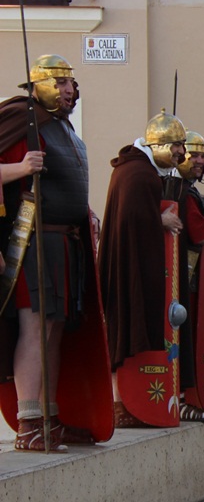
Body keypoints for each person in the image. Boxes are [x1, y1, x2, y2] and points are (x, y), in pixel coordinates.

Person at [0, 54, 106, 451]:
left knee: (55, 330)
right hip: (32, 244)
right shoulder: (19, 120)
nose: (69, 90)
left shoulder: (61, 128)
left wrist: (85, 212)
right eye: (61, 83)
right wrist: (20, 168)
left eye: (71, 84)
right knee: (36, 328)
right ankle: (28, 423)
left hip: (65, 243)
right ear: (39, 85)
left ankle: (50, 417)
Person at [99, 110, 188, 427]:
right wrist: (159, 219)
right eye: (176, 145)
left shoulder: (141, 170)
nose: (181, 153)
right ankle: (121, 402)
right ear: (160, 143)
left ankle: (132, 402)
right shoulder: (137, 173)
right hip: (128, 271)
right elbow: (130, 221)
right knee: (126, 329)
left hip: (138, 266)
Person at [163, 130, 204, 421]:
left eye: (203, 155)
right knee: (184, 338)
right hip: (182, 277)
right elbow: (200, 234)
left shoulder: (187, 188)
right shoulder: (180, 189)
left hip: (190, 274)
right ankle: (185, 397)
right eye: (193, 153)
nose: (199, 160)